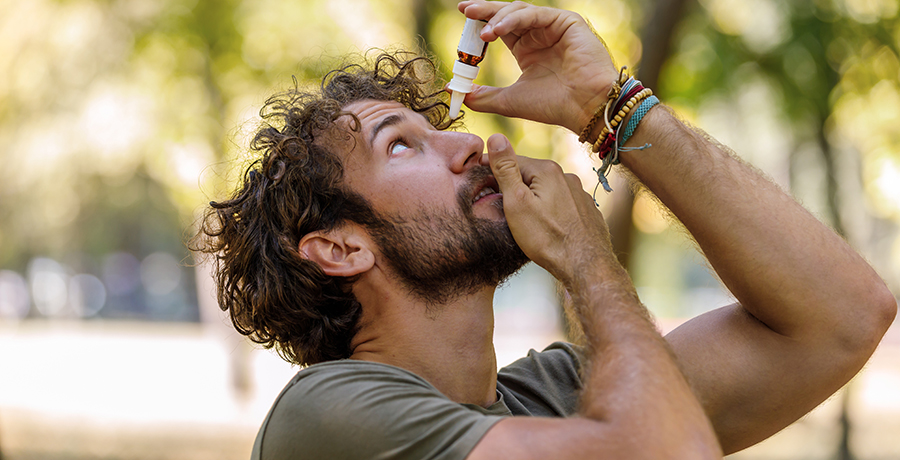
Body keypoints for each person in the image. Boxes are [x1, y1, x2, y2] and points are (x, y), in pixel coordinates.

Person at [192, 1, 897, 459]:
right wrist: (590, 263)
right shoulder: (331, 417)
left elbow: (842, 314)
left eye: (439, 128)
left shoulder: (557, 397)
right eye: (400, 145)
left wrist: (610, 108)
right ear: (341, 247)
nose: (467, 146)